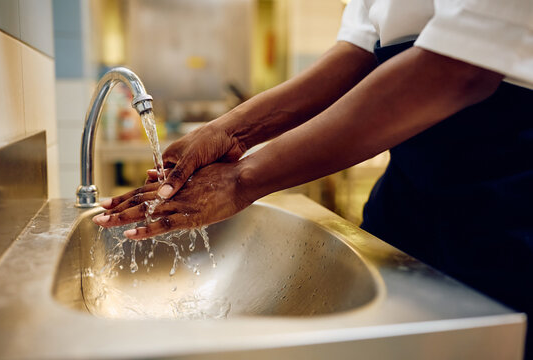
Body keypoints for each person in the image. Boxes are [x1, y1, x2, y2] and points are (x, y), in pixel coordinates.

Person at [93, 0, 532, 357]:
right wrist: (226, 131)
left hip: (510, 201)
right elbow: (358, 56)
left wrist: (243, 178)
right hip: (407, 202)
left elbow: (458, 70)